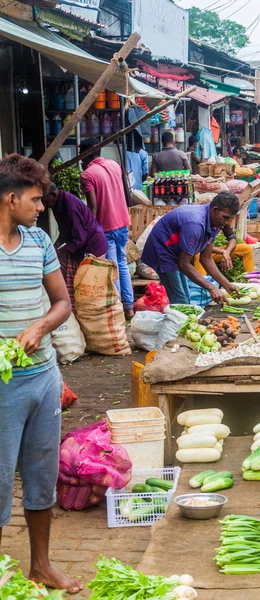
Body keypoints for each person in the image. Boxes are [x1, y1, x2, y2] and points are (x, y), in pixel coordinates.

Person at [0, 154, 82, 595]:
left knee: (40, 473)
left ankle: (41, 566)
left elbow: (62, 302)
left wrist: (40, 327)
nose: (41, 206)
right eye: (34, 199)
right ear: (11, 199)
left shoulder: (38, 242)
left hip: (43, 376)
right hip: (2, 383)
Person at [141, 192, 241, 304]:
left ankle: (174, 313)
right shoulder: (195, 223)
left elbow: (206, 258)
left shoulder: (216, 222)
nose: (227, 222)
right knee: (180, 300)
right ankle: (177, 317)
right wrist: (211, 287)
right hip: (162, 250)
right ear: (214, 210)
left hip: (177, 252)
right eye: (226, 218)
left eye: (230, 219)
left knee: (185, 297)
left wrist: (226, 284)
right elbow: (184, 264)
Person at [80, 137, 134, 319]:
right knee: (122, 265)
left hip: (107, 227)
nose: (80, 160)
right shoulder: (114, 165)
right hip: (122, 223)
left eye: (81, 157)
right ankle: (128, 307)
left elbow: (92, 206)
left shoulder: (87, 175)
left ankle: (117, 310)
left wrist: (90, 232)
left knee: (112, 269)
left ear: (86, 155)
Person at [42, 182, 108, 310]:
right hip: (83, 246)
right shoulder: (57, 205)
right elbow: (64, 232)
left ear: (53, 194)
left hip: (93, 246)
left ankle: (85, 311)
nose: (44, 205)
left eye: (45, 200)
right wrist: (54, 247)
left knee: (89, 287)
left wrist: (63, 251)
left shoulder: (70, 205)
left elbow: (80, 238)